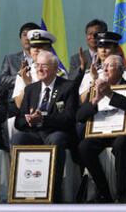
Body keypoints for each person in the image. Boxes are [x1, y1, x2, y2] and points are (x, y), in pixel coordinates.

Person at [12, 50, 77, 203]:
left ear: (55, 68)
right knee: (18, 137)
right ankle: (22, 192)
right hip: (34, 133)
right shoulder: (30, 89)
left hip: (57, 132)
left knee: (56, 139)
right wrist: (28, 120)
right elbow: (18, 122)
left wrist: (44, 119)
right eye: (37, 65)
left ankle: (53, 194)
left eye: (44, 66)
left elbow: (69, 118)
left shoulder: (68, 87)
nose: (39, 69)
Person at [76, 55, 126, 203]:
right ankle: (104, 193)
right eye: (103, 66)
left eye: (110, 66)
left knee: (121, 143)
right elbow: (79, 116)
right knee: (84, 146)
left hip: (125, 134)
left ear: (120, 70)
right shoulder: (95, 88)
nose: (105, 69)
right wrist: (95, 100)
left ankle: (122, 194)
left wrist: (110, 94)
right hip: (100, 133)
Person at [12, 29, 67, 109]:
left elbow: (63, 103)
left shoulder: (59, 73)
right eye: (33, 46)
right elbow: (19, 104)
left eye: (40, 46)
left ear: (49, 50)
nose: (36, 50)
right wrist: (28, 86)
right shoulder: (24, 73)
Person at [78, 31, 126, 101]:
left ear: (116, 49)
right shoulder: (89, 74)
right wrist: (93, 83)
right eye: (100, 47)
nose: (103, 50)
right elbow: (82, 100)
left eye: (107, 47)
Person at [0, 22, 39, 92]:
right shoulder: (10, 59)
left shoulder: (44, 60)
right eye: (24, 35)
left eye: (30, 35)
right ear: (20, 38)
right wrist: (22, 78)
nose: (27, 38)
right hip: (14, 100)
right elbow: (2, 80)